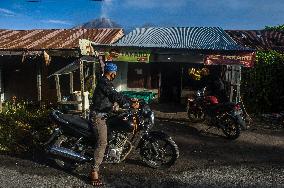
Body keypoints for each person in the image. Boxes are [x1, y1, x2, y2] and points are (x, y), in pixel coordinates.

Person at [89, 62, 138, 186]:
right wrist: (127, 103)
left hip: (106, 114)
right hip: (98, 117)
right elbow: (113, 95)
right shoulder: (103, 82)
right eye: (115, 72)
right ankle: (94, 171)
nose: (115, 74)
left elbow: (117, 94)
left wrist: (129, 99)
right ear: (112, 72)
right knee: (102, 142)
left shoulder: (107, 83)